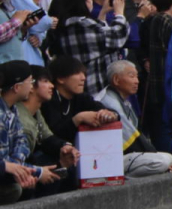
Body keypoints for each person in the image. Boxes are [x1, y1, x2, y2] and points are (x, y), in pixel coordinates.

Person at [94, 60, 172, 176]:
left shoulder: (122, 100)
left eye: (137, 77)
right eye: (131, 76)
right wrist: (153, 155)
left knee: (169, 159)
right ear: (116, 80)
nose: (137, 81)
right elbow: (131, 140)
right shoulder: (109, 101)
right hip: (110, 159)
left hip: (127, 156)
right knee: (162, 162)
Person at [53, 0, 130, 95]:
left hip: (78, 88)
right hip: (95, 88)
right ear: (81, 2)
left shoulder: (65, 25)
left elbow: (97, 40)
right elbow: (117, 38)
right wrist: (119, 13)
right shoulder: (83, 25)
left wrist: (103, 13)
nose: (91, 2)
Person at [0, 60, 61, 197]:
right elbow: (3, 162)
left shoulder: (12, 109)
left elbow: (21, 143)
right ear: (16, 87)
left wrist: (19, 169)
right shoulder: (1, 115)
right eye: (30, 81)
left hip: (7, 170)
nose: (31, 86)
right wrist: (36, 172)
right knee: (19, 188)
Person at [18, 64, 80, 187]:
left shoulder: (36, 111)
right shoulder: (21, 118)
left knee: (67, 166)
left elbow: (47, 136)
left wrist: (64, 147)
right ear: (31, 85)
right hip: (19, 171)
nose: (52, 86)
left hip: (27, 167)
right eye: (45, 81)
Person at [142, 0, 172, 152]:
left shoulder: (158, 19)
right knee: (165, 130)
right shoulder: (166, 22)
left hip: (161, 86)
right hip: (167, 86)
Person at [43, 55, 119, 146]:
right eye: (77, 73)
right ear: (60, 78)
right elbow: (52, 136)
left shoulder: (80, 97)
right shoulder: (48, 99)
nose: (83, 78)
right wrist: (78, 119)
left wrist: (111, 115)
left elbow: (105, 110)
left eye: (84, 73)